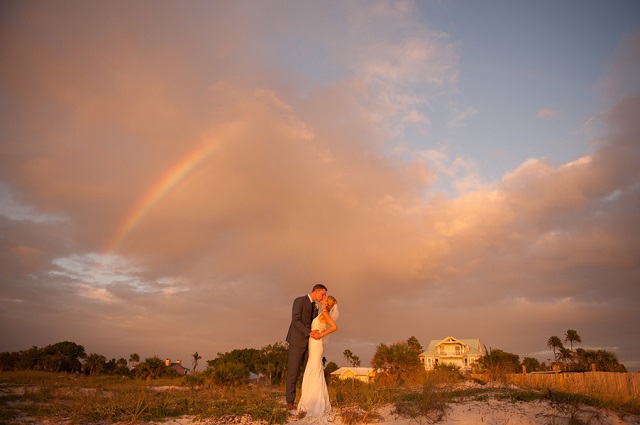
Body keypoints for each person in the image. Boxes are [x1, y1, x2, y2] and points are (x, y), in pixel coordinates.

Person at [296, 295, 339, 422]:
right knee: (314, 370)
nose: (323, 299)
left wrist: (320, 334)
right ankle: (310, 402)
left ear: (327, 303)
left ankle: (314, 404)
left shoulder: (325, 313)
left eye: (325, 299)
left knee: (314, 370)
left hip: (316, 343)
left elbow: (334, 327)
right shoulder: (322, 312)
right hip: (314, 343)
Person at [286, 284, 327, 410]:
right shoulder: (299, 300)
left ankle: (306, 401)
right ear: (316, 291)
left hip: (309, 344)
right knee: (293, 372)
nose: (323, 296)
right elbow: (296, 320)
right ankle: (290, 402)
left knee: (308, 372)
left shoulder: (315, 306)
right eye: (323, 294)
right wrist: (308, 332)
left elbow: (315, 322)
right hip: (297, 341)